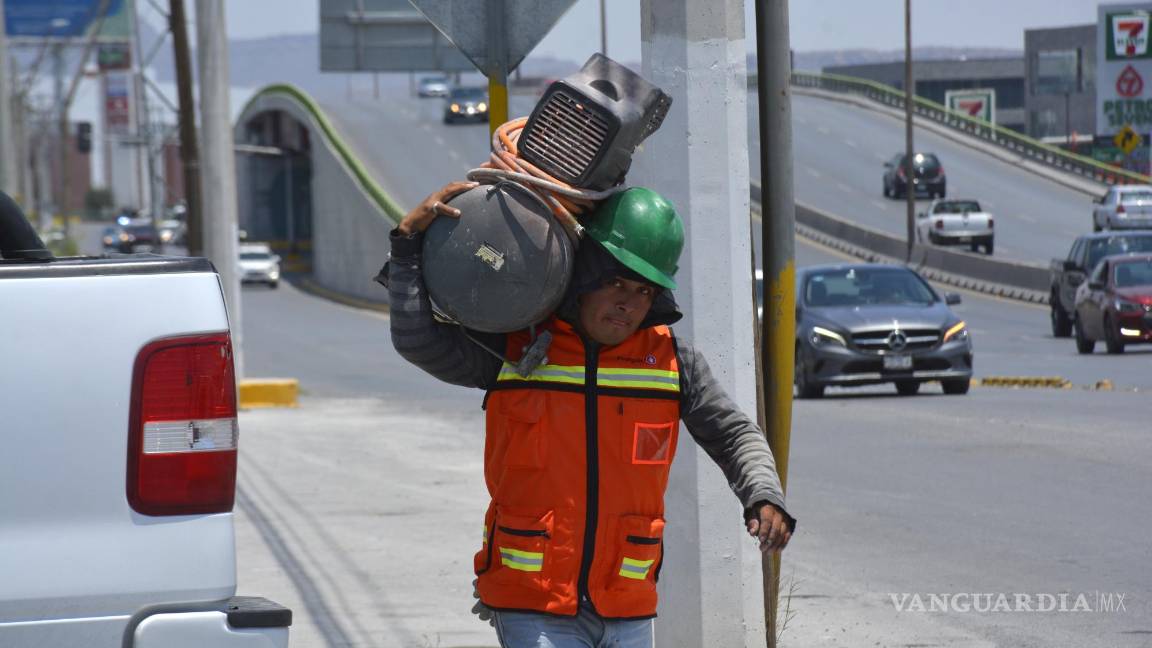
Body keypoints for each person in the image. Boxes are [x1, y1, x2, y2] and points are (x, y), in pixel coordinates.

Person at [379, 181, 795, 647]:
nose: (627, 302)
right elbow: (419, 340)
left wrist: (763, 494)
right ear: (584, 276)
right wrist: (408, 247)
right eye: (615, 281)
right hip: (532, 602)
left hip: (628, 603)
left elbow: (734, 434)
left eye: (642, 290)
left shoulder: (674, 362)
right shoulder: (517, 346)